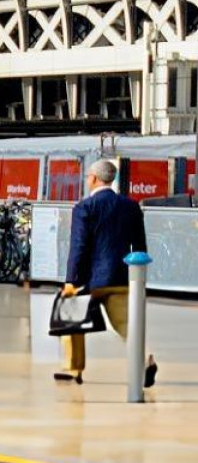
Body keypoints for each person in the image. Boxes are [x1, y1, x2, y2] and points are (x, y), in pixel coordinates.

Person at [56, 158, 159, 388]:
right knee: (127, 325)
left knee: (70, 319)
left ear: (93, 178)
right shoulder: (130, 206)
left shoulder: (85, 207)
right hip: (121, 277)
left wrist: (71, 282)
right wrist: (136, 277)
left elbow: (79, 247)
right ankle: (145, 360)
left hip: (89, 280)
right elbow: (140, 246)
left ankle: (74, 369)